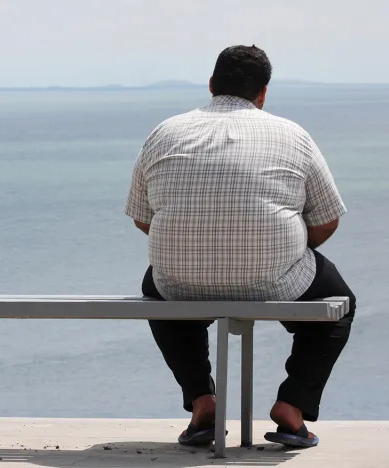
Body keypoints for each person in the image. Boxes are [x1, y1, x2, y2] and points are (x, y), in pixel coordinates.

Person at [124, 45, 355, 449]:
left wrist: (191, 244)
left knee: (157, 289)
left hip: (180, 282)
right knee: (339, 304)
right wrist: (290, 247)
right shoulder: (292, 135)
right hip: (275, 279)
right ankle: (292, 407)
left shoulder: (164, 133)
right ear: (263, 93)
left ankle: (203, 403)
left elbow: (144, 217)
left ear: (212, 85)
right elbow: (326, 219)